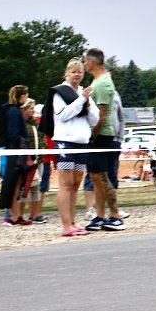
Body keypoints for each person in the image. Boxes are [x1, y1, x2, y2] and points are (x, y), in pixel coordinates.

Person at [52, 58, 99, 237]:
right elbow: (63, 114)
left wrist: (87, 103)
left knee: (75, 184)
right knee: (65, 184)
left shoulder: (84, 93)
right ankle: (65, 225)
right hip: (65, 142)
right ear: (67, 73)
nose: (77, 74)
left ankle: (73, 222)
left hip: (82, 142)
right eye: (73, 71)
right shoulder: (60, 92)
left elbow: (94, 119)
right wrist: (81, 101)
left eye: (80, 71)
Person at [83, 48, 126, 232]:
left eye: (85, 61)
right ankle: (100, 216)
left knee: (101, 176)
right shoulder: (98, 81)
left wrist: (93, 135)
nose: (84, 64)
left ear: (92, 62)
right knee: (95, 177)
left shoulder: (102, 84)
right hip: (100, 134)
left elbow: (102, 114)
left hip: (102, 135)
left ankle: (115, 216)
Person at [0, 85, 31, 226]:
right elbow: (13, 132)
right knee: (12, 183)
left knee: (17, 184)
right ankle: (12, 215)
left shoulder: (14, 110)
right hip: (14, 151)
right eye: (26, 95)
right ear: (21, 96)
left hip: (15, 150)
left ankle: (16, 214)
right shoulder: (13, 111)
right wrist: (22, 141)